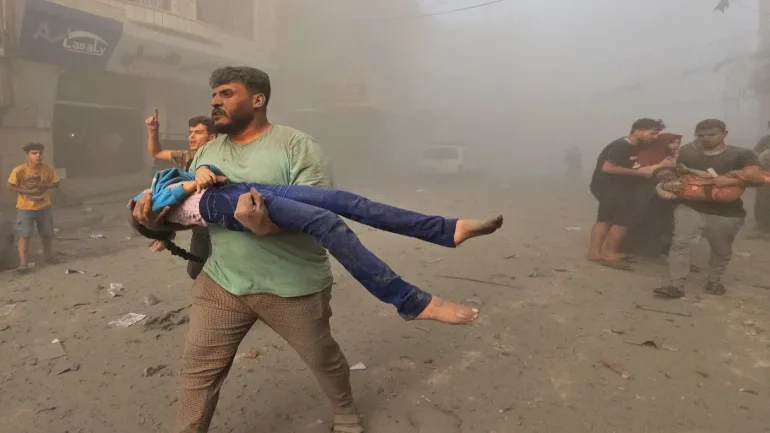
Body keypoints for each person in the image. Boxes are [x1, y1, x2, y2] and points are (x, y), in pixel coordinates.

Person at [133, 66, 361, 433]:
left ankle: (346, 414)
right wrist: (155, 220)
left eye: (226, 94)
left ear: (258, 99)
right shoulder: (207, 151)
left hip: (292, 285)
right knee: (198, 371)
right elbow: (195, 215)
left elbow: (320, 213)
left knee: (323, 358)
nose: (215, 102)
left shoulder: (297, 146)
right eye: (214, 95)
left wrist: (268, 226)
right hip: (223, 282)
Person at [130, 165, 502, 322]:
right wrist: (157, 212)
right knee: (327, 223)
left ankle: (445, 230)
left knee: (344, 200)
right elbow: (171, 198)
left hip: (241, 187)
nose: (137, 202)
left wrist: (201, 170)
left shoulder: (165, 181)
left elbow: (200, 171)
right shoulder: (156, 207)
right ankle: (410, 301)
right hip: (226, 204)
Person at [654, 119, 760, 299]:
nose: (706, 138)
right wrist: (665, 183)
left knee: (721, 248)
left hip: (727, 211)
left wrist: (732, 180)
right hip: (690, 206)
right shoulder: (687, 152)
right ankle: (675, 285)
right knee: (680, 243)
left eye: (712, 134)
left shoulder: (741, 155)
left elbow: (757, 179)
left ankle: (714, 281)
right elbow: (675, 174)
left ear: (725, 134)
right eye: (701, 135)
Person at [587, 118, 672, 270]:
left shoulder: (633, 147)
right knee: (622, 221)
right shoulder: (621, 146)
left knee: (604, 219)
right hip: (612, 188)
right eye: (652, 133)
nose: (654, 137)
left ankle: (594, 253)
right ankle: (609, 254)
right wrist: (638, 173)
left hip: (609, 188)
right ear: (638, 130)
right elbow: (608, 168)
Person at [145, 110, 217, 279]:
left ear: (212, 137)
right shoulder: (188, 157)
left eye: (198, 132)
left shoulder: (224, 157)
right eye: (190, 133)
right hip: (200, 226)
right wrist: (153, 131)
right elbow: (156, 152)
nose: (192, 137)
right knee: (195, 271)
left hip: (223, 221)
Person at [621, 133, 682, 257]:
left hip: (663, 196)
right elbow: (643, 172)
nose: (676, 145)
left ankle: (656, 250)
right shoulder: (647, 154)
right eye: (672, 142)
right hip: (646, 193)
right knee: (643, 220)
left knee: (662, 222)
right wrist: (662, 166)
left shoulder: (672, 156)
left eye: (678, 142)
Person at [6, 142, 60, 272]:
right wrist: (27, 192)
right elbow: (9, 186)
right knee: (24, 235)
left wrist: (40, 186)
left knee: (47, 233)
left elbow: (56, 183)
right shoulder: (19, 170)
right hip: (25, 207)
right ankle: (23, 264)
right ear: (27, 155)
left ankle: (48, 257)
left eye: (40, 153)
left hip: (44, 206)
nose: (38, 156)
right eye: (34, 153)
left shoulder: (48, 169)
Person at [753, 122, 770, 234]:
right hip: (766, 176)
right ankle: (762, 225)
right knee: (763, 201)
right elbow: (755, 153)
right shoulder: (765, 140)